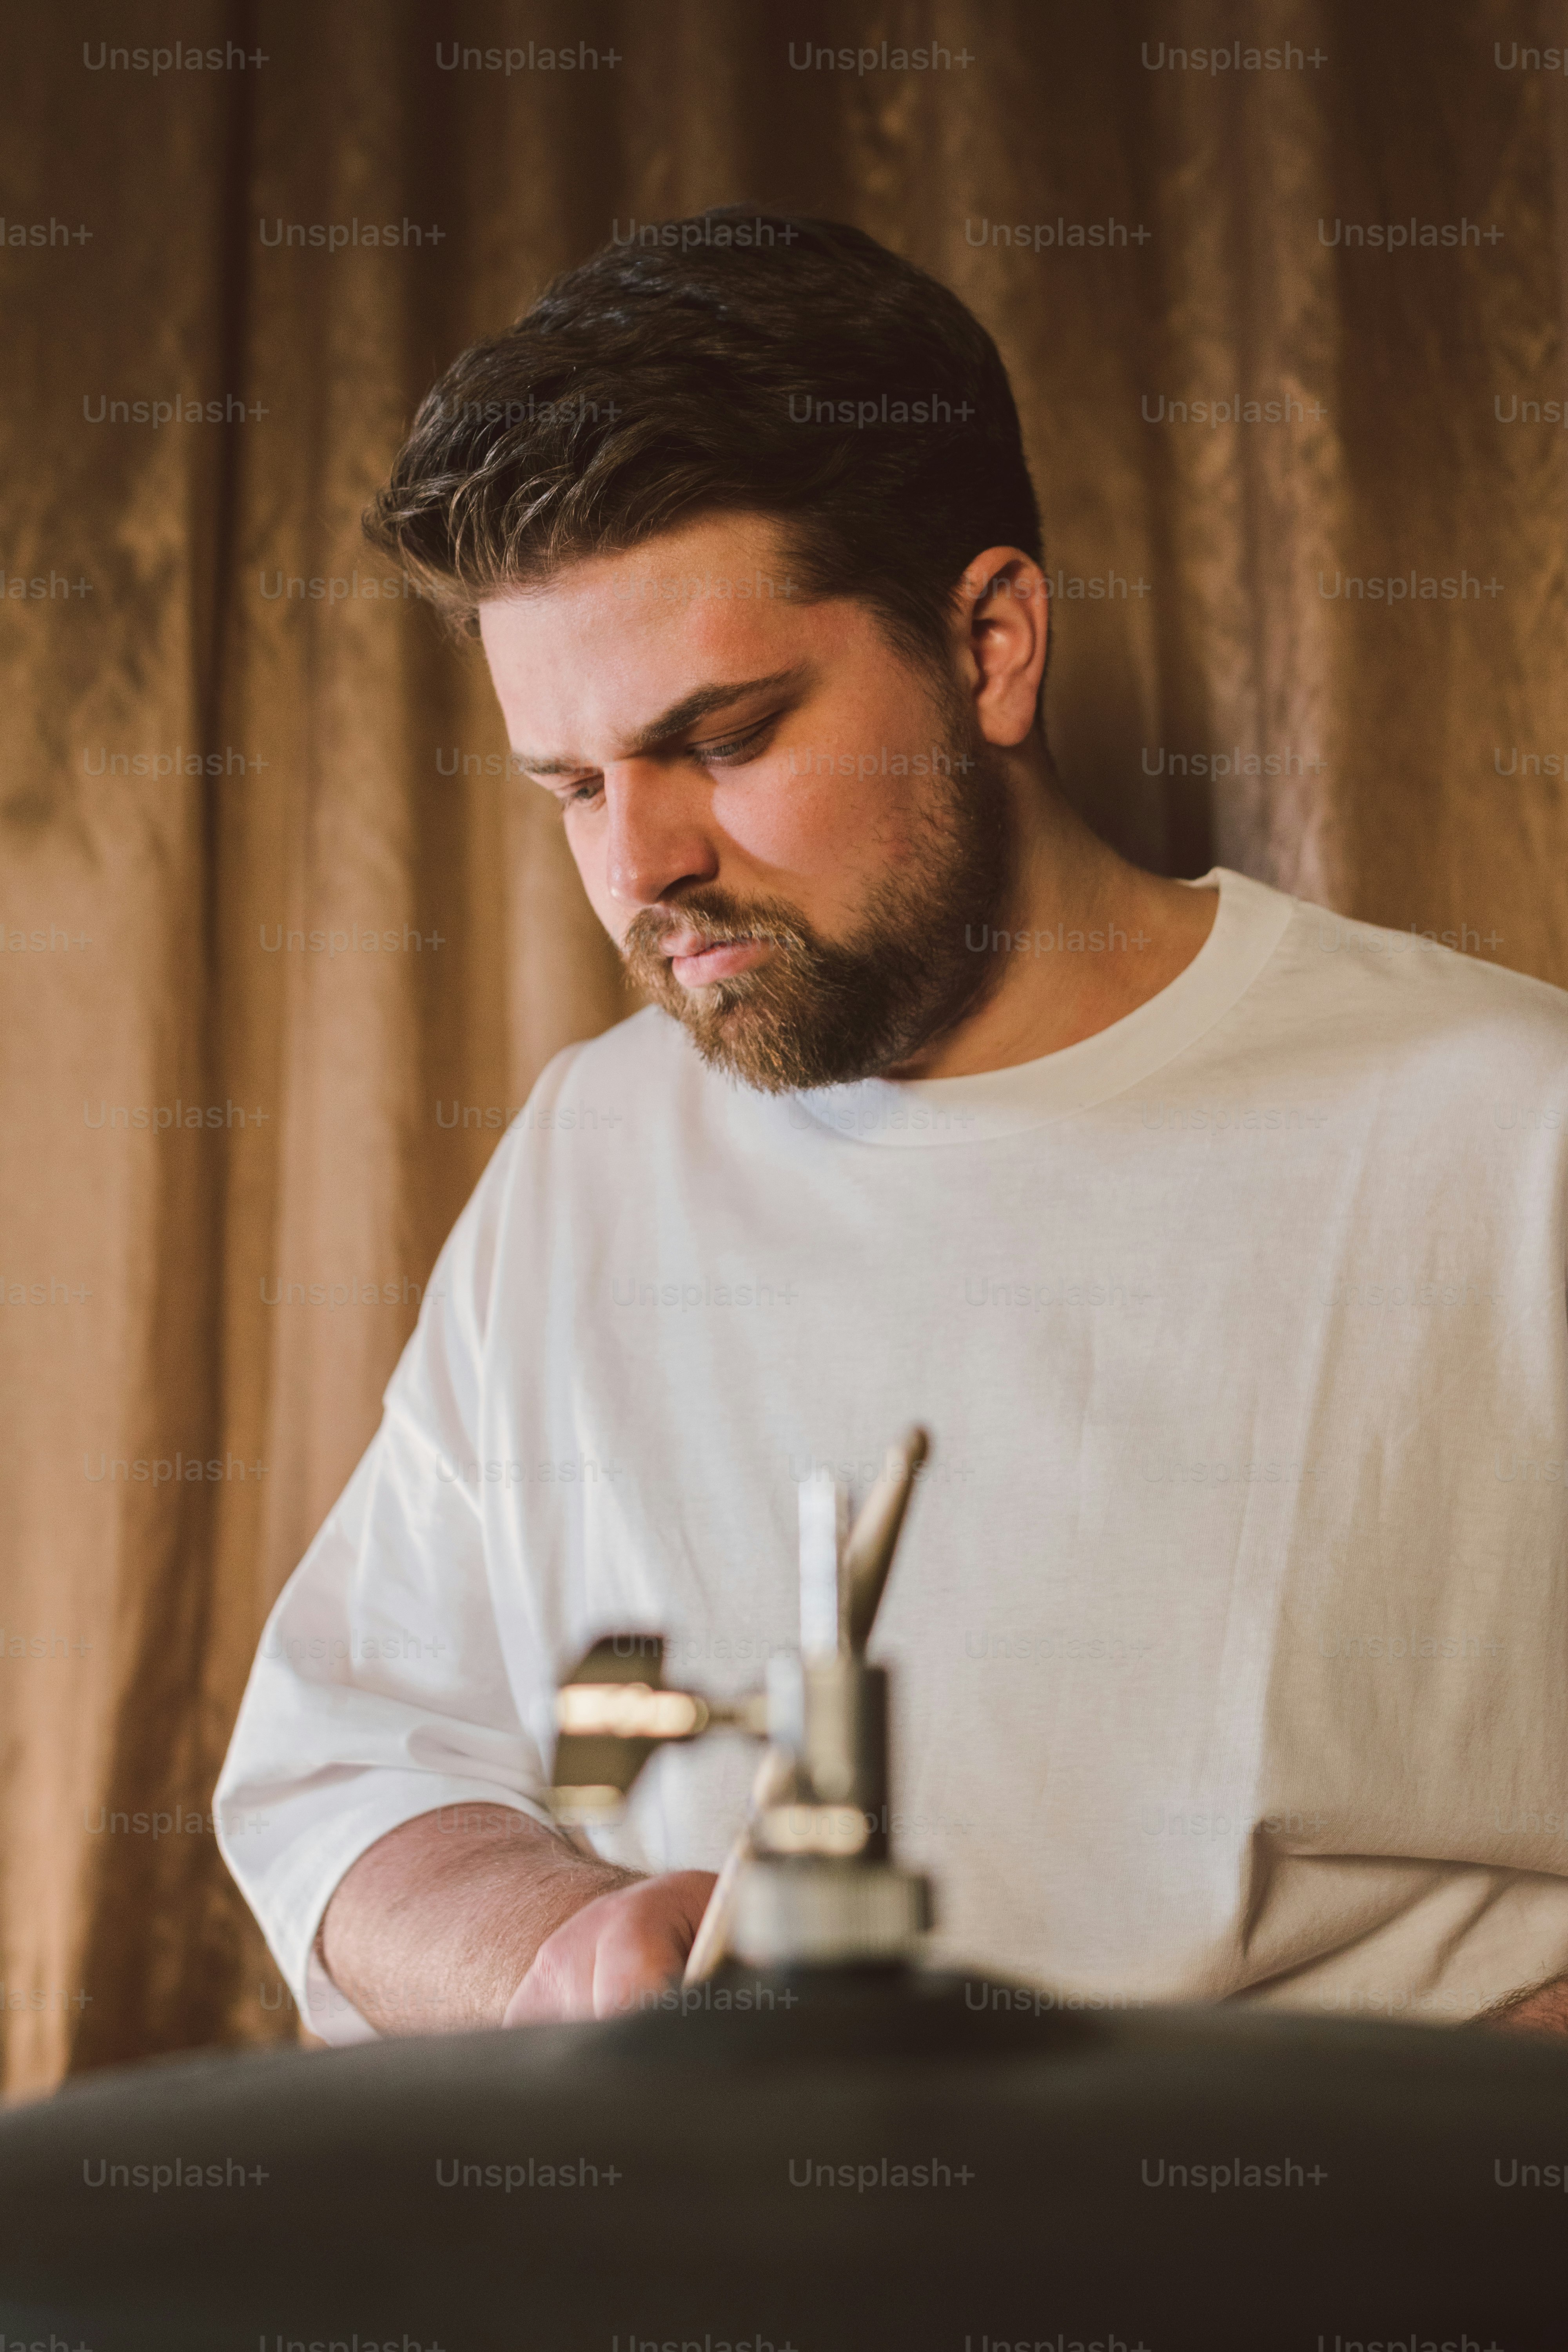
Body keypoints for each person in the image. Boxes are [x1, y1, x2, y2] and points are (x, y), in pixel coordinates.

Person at [217, 209, 1568, 2041]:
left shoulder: (1509, 1137)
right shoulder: (588, 1154)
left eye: (724, 738)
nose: (639, 865)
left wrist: (1390, 2156)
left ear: (991, 643)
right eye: (574, 785)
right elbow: (346, 1772)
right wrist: (560, 1953)